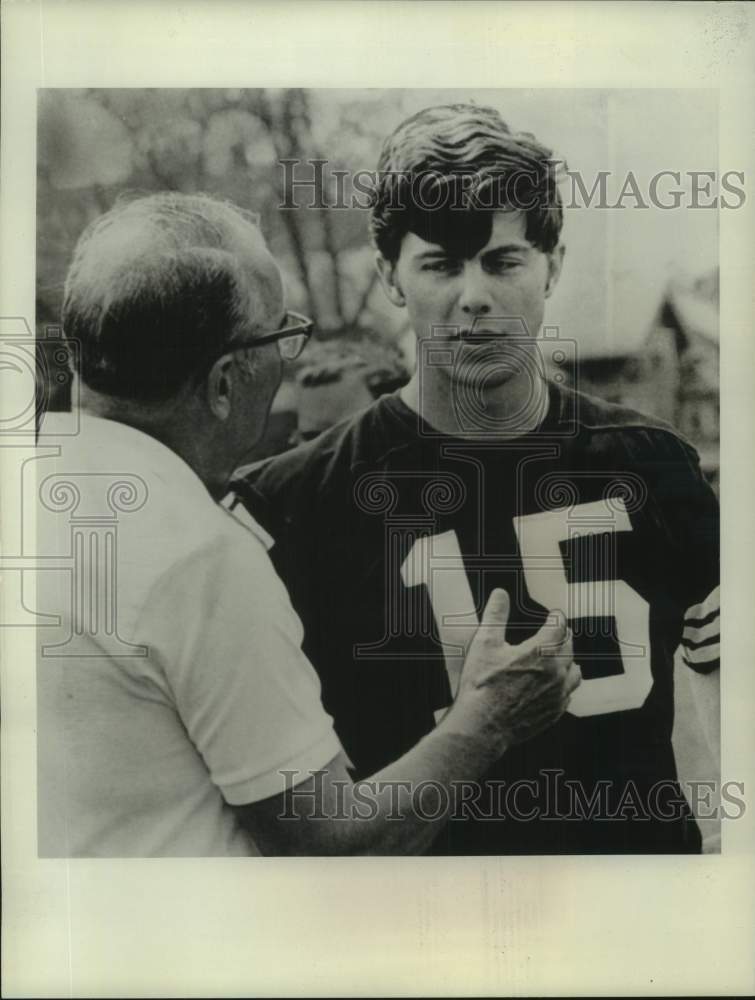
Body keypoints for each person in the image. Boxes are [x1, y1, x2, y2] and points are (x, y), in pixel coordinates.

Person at [35, 191, 580, 857]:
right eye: (279, 337)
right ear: (225, 382)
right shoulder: (199, 554)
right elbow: (330, 842)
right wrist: (488, 719)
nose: (287, 362)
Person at [240, 104, 720, 854]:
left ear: (551, 265)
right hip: (419, 933)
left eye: (502, 260)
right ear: (390, 277)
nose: (473, 296)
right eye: (439, 263)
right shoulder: (294, 503)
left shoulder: (652, 464)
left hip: (630, 921)